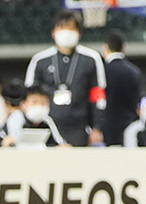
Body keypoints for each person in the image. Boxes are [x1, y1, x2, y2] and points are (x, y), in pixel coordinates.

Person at [24, 13, 106, 147]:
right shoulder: (40, 60)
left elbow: (98, 96)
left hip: (80, 127)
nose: (66, 32)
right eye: (62, 28)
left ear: (79, 33)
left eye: (71, 28)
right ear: (53, 32)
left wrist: (97, 127)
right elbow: (29, 94)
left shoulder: (91, 58)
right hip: (48, 125)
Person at [99, 31, 143, 146]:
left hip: (107, 127)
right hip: (129, 125)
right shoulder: (135, 71)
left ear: (105, 48)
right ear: (123, 47)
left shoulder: (102, 71)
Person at [3, 83, 65, 147]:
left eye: (43, 102)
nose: (39, 105)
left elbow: (60, 143)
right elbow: (12, 141)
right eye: (34, 102)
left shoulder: (47, 120)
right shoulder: (15, 118)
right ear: (23, 104)